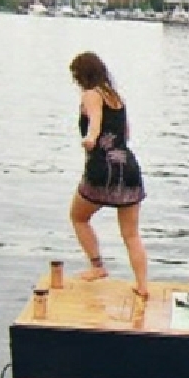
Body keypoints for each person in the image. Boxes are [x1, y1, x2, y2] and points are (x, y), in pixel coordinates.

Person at [68, 51, 149, 297]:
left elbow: (95, 120)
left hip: (103, 168)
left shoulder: (91, 94)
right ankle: (143, 286)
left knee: (78, 217)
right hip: (129, 167)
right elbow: (126, 133)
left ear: (83, 74)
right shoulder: (116, 97)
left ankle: (97, 267)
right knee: (131, 234)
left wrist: (90, 139)